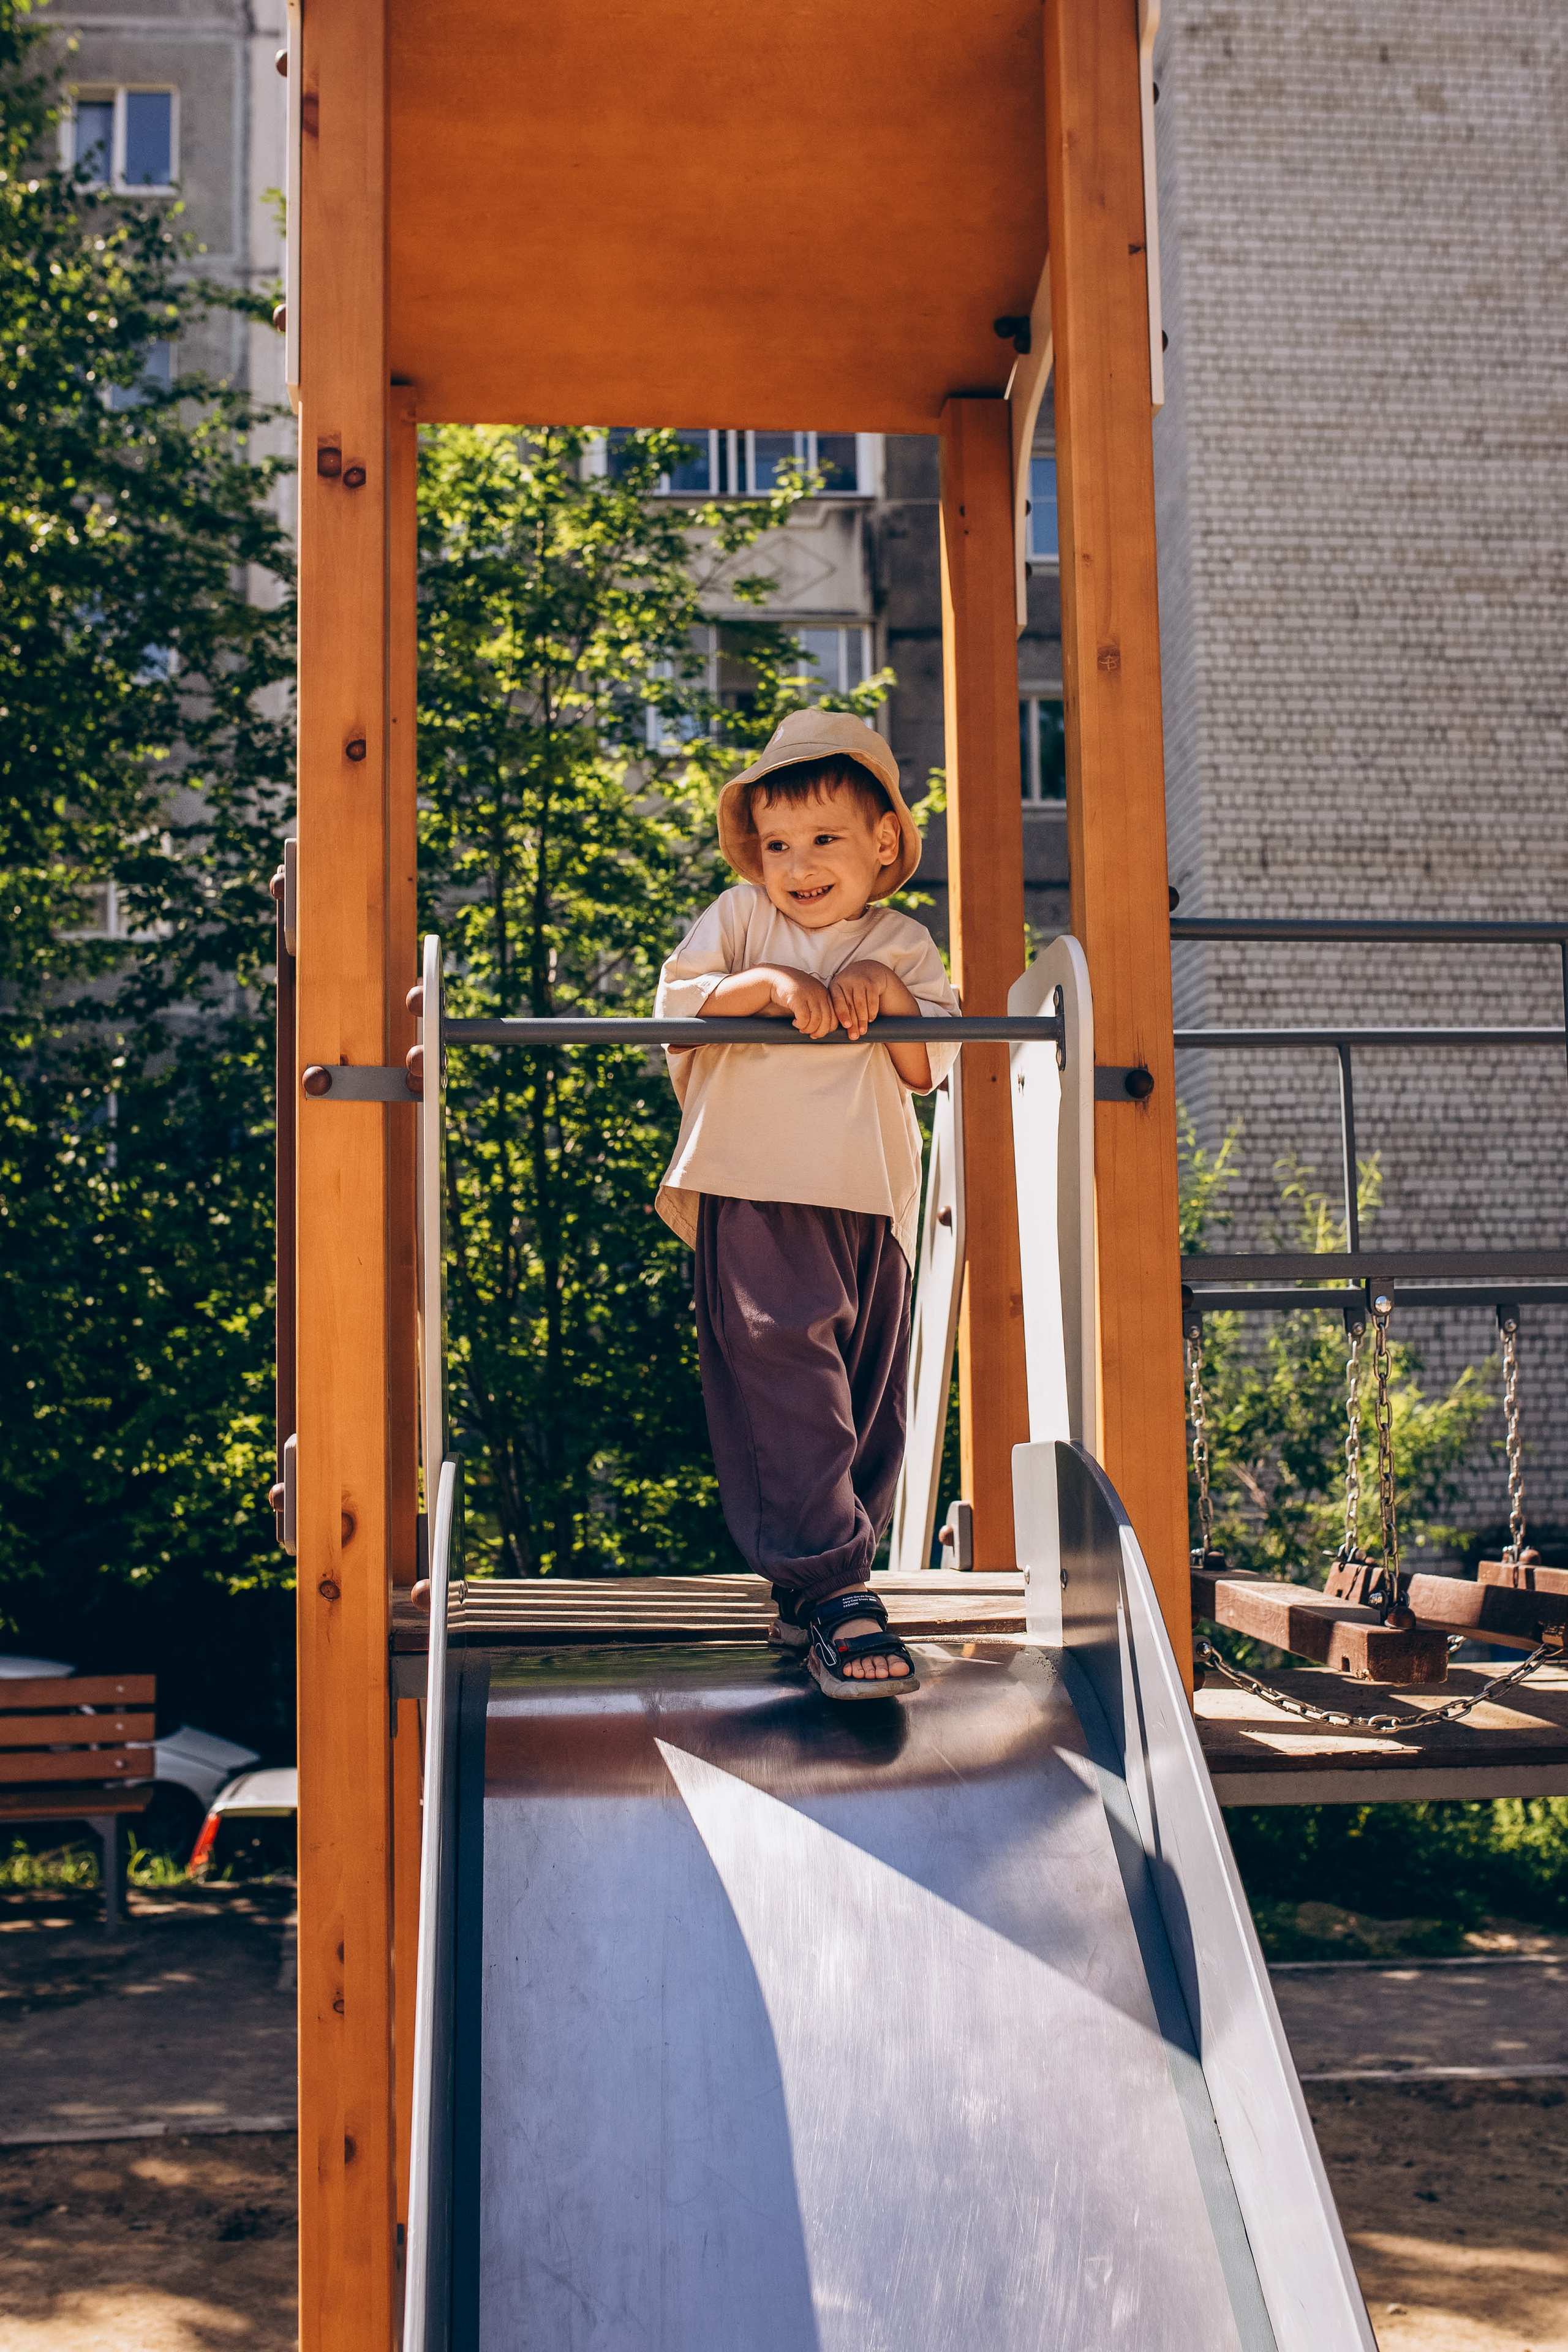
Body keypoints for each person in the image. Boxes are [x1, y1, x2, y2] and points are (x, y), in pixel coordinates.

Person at [654, 707, 959, 1701]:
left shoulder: (903, 944)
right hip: (756, 1190)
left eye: (825, 838)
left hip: (869, 1201)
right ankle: (832, 1589)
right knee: (791, 1380)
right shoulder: (742, 923)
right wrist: (771, 983)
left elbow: (924, 1068)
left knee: (870, 1401)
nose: (800, 863)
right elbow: (676, 1012)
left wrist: (882, 986)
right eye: (778, 845)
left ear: (882, 843)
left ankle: (824, 1582)